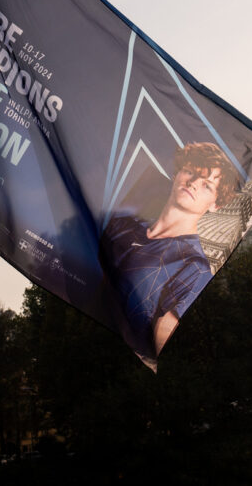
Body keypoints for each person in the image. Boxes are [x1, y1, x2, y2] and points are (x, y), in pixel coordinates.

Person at [99, 142, 239, 361]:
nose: (193, 183)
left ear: (216, 204)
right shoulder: (123, 223)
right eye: (191, 172)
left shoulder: (195, 266)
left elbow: (157, 351)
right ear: (177, 174)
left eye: (207, 185)